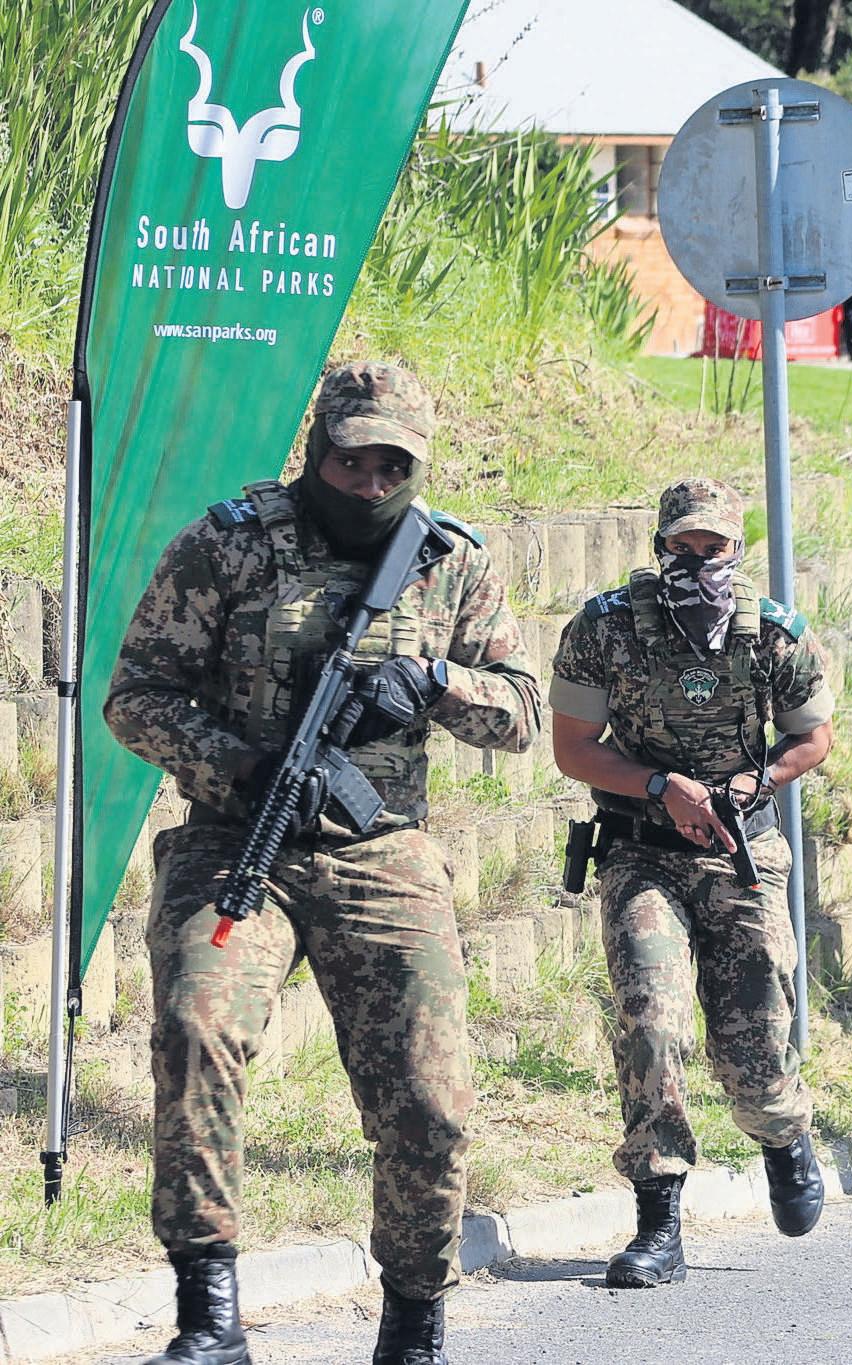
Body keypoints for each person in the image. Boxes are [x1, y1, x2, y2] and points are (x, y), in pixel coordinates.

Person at [106, 361, 542, 1365]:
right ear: (317, 450)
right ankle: (209, 1311)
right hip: (239, 838)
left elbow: (521, 712)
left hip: (383, 852)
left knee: (430, 1093)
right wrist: (241, 764)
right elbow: (136, 696)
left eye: (394, 466)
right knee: (196, 1028)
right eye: (352, 462)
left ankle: (415, 1314)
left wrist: (433, 682)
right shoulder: (228, 544)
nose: (370, 483)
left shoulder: (453, 564)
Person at [548, 478, 835, 1288]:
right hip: (642, 850)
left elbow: (812, 736)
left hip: (742, 848)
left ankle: (781, 1131)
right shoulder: (604, 628)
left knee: (757, 1033)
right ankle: (658, 1215)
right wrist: (658, 785)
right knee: (651, 1018)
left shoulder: (772, 632)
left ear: (736, 551)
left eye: (714, 548)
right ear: (659, 545)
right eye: (683, 546)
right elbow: (573, 747)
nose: (698, 561)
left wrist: (755, 780)